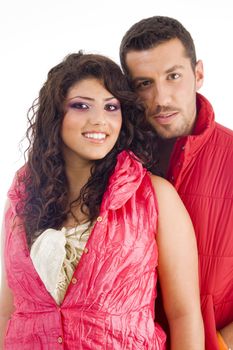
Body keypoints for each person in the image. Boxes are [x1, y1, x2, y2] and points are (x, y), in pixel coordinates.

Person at [0, 52, 204, 350]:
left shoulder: (154, 196)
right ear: (56, 114)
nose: (99, 120)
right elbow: (8, 311)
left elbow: (184, 315)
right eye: (81, 106)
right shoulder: (21, 200)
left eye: (111, 107)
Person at [120, 15, 233, 350]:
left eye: (173, 76)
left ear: (198, 74)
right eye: (144, 84)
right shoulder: (114, 162)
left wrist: (223, 342)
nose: (161, 98)